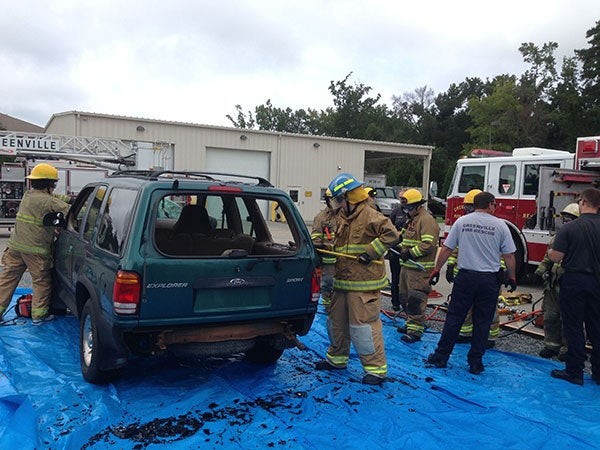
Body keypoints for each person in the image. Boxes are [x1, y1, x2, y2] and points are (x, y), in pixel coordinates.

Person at [315, 173, 400, 386]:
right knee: (336, 324)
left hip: (363, 284)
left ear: (350, 197)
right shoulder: (344, 217)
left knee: (363, 328)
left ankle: (375, 370)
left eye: (339, 200)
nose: (337, 205)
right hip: (342, 281)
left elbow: (392, 235)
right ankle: (336, 359)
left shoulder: (370, 215)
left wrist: (370, 253)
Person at [426, 191, 517, 374]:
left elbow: (446, 248)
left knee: (454, 319)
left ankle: (441, 356)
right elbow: (508, 255)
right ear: (490, 204)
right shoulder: (500, 225)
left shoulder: (462, 222)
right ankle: (475, 362)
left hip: (466, 278)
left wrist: (436, 269)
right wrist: (512, 276)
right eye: (495, 205)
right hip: (489, 280)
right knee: (482, 321)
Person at [0, 163, 71, 325]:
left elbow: (55, 199)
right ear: (49, 184)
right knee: (41, 283)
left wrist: (68, 197)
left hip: (15, 248)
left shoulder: (28, 196)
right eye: (53, 183)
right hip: (35, 252)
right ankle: (39, 317)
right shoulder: (48, 202)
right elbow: (72, 211)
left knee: (7, 281)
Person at [548, 188, 600, 386]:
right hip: (597, 282)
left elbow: (556, 257)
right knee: (597, 327)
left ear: (584, 202)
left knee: (574, 327)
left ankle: (574, 371)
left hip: (575, 281)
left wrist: (551, 250)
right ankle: (598, 372)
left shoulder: (570, 228)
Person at [447, 189, 502, 348]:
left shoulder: (495, 225)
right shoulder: (465, 223)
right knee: (468, 308)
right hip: (469, 275)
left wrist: (502, 271)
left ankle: (489, 338)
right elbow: (456, 248)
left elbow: (503, 254)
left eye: (470, 208)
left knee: (488, 310)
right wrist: (451, 264)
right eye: (466, 208)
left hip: (487, 275)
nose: (468, 212)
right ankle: (466, 333)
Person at [534, 202, 579, 360]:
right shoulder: (557, 238)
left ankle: (568, 349)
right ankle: (551, 346)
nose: (566, 222)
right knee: (551, 316)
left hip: (569, 285)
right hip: (553, 285)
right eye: (565, 218)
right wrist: (540, 272)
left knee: (569, 319)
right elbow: (548, 257)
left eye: (570, 219)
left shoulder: (580, 239)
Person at [396, 188, 439, 343]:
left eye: (409, 207)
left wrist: (410, 253)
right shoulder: (411, 219)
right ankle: (409, 323)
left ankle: (415, 331)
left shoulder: (426, 220)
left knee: (416, 300)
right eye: (404, 208)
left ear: (418, 206)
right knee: (404, 297)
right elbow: (403, 237)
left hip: (419, 269)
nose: (406, 210)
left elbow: (428, 244)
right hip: (407, 267)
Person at [311, 188, 338, 310]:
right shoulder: (321, 218)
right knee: (328, 283)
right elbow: (315, 238)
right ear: (328, 200)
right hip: (328, 261)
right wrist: (321, 245)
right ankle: (328, 307)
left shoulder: (345, 216)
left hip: (345, 260)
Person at [388, 189, 407, 311]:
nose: (403, 201)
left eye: (404, 199)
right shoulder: (396, 212)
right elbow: (388, 229)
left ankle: (405, 302)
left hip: (407, 252)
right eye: (401, 199)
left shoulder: (414, 214)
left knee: (405, 278)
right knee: (395, 277)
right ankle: (395, 302)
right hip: (395, 250)